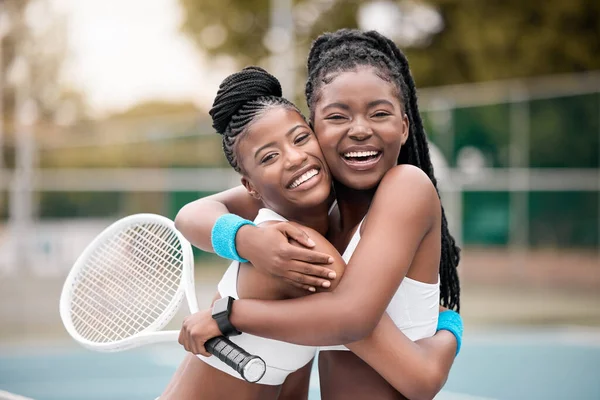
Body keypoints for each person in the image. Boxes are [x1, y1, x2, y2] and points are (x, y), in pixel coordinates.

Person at [174, 29, 462, 400]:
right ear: (316, 128)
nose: (360, 130)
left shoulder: (406, 186)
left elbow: (353, 318)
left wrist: (228, 316)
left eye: (379, 113)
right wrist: (245, 240)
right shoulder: (308, 209)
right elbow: (191, 214)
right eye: (337, 117)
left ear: (404, 126)